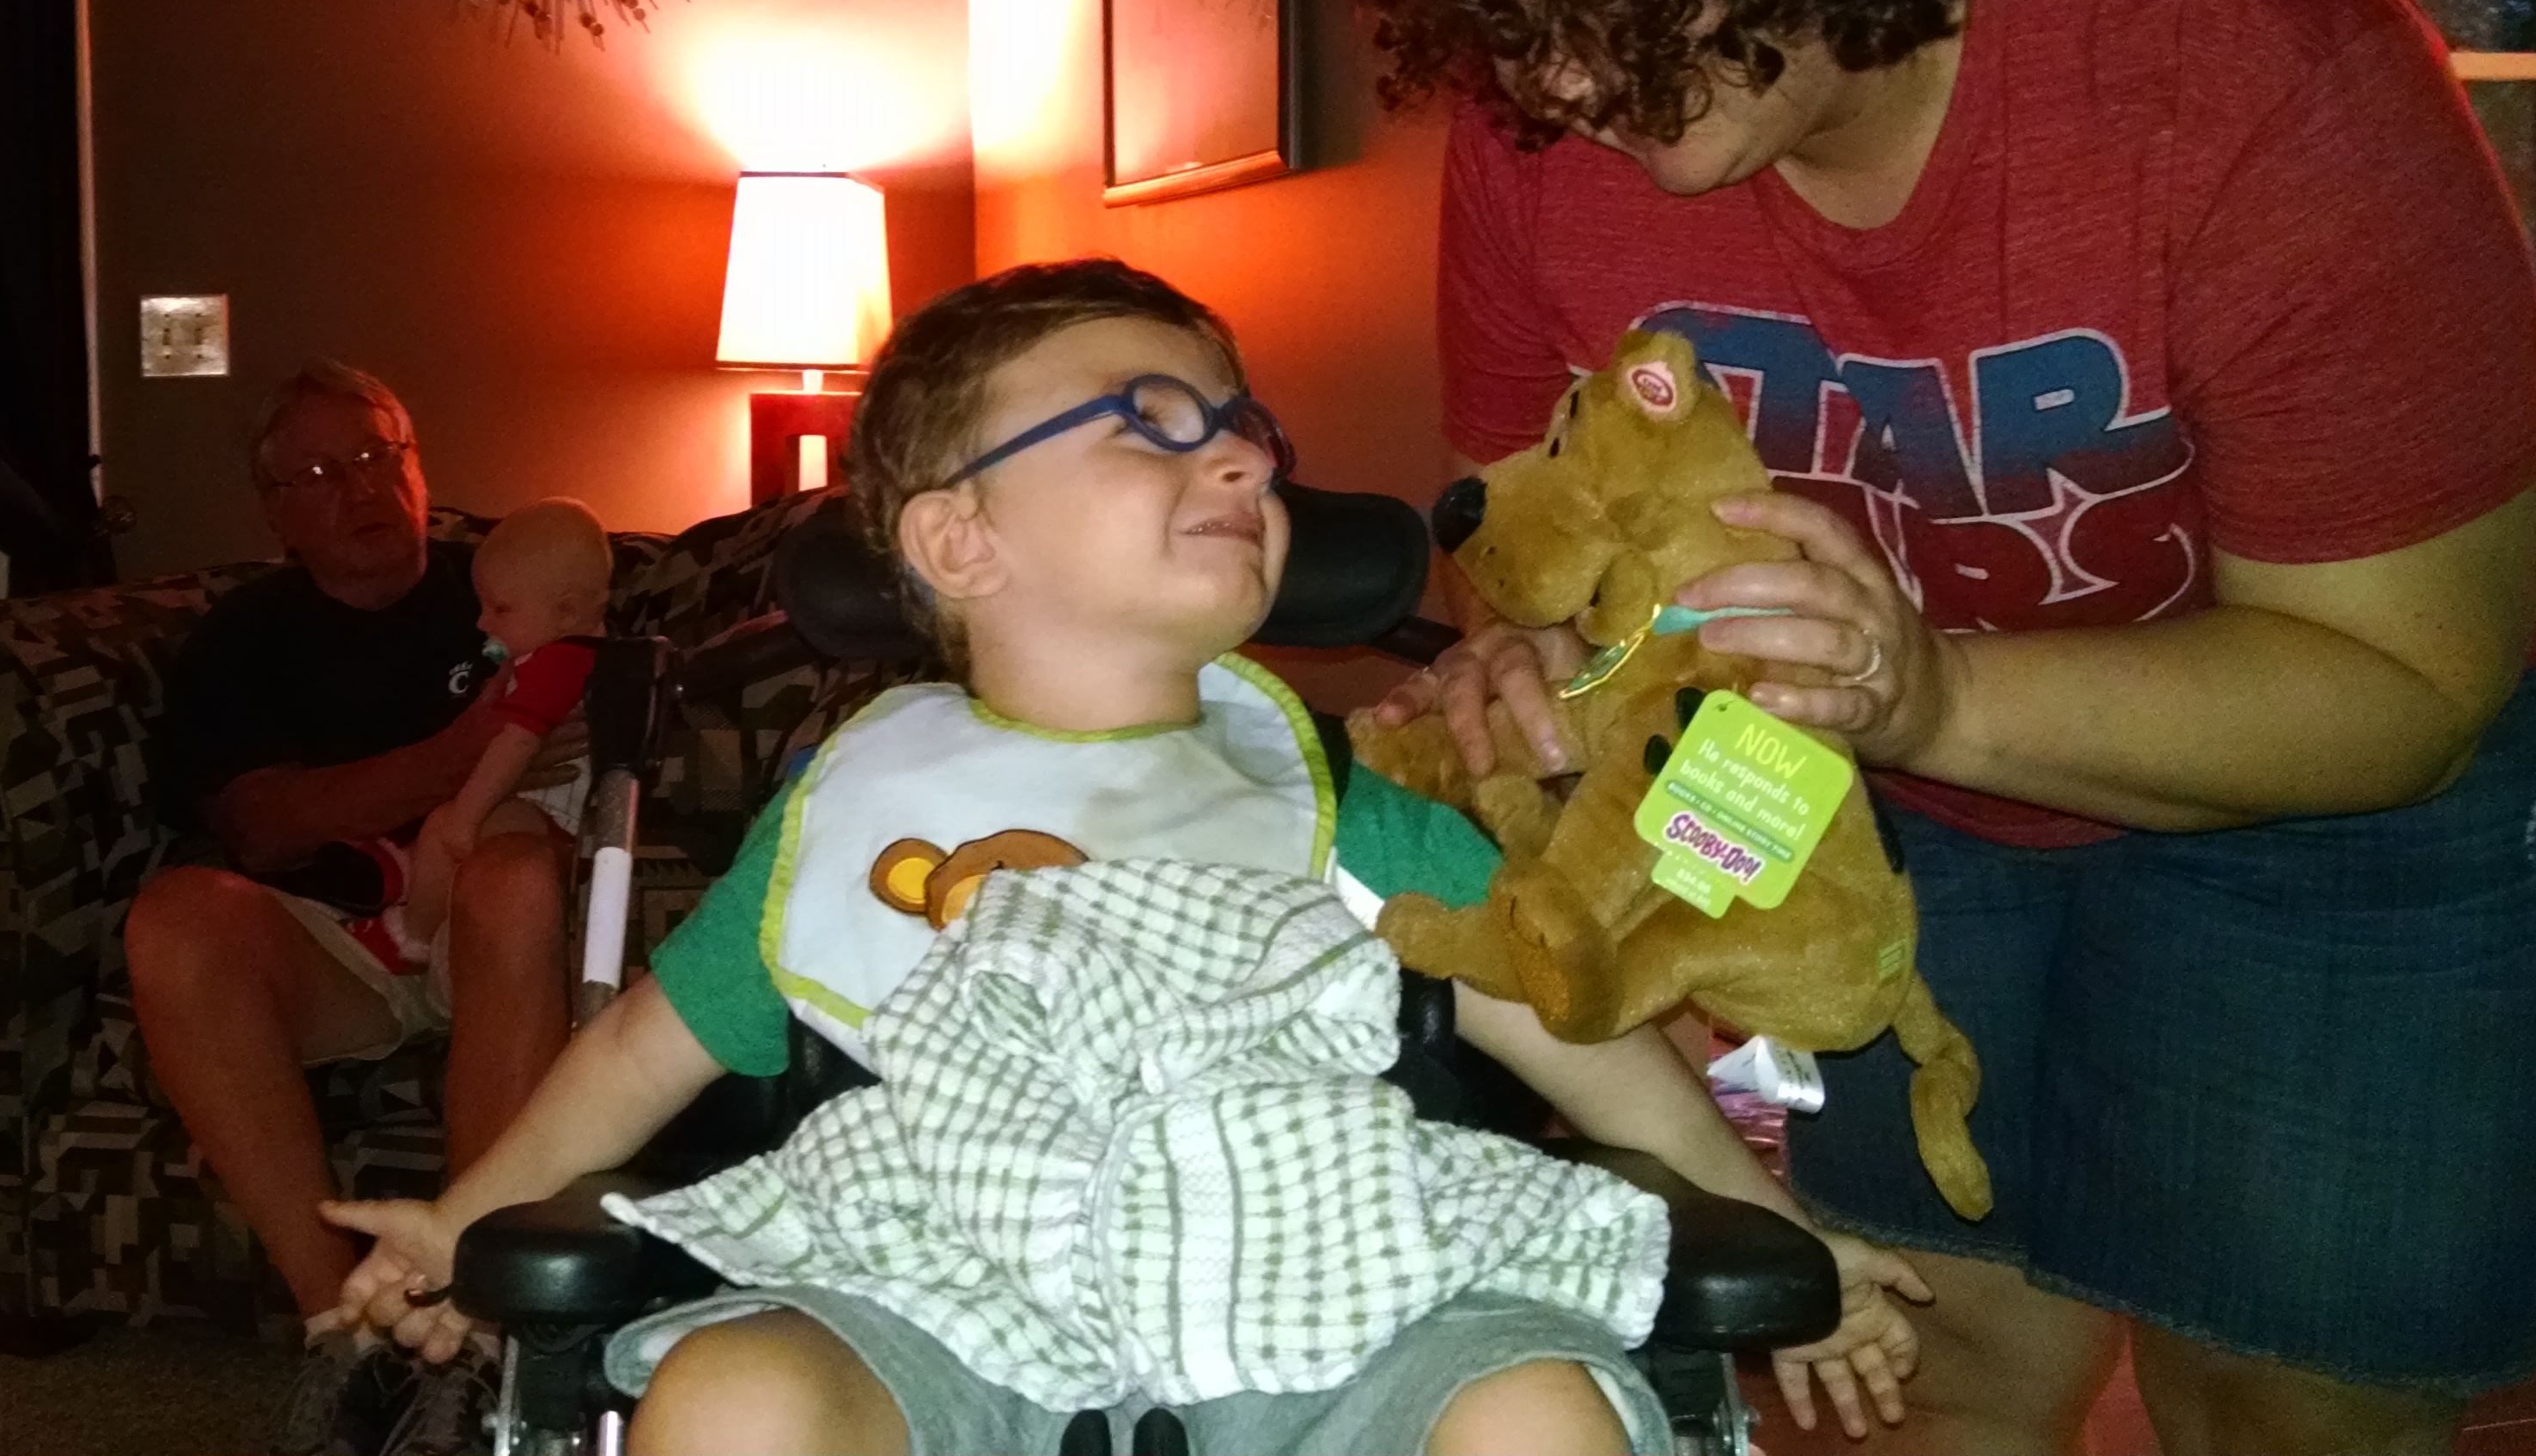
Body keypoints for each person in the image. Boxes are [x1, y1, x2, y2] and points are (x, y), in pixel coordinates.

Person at [1345, 0, 2536, 1456]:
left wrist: (1936, 690)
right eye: (1510, 8)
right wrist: (1539, 672)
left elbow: (2397, 681)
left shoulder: (2238, 47)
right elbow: (1547, 537)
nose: (1555, 74)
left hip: (2340, 748)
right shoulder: (1544, 134)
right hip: (1867, 752)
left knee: (2278, 1381)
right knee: (1921, 1348)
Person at [319, 260, 1928, 1456]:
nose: (1242, 459)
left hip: (1323, 1282)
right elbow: (637, 1049)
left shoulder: (1334, 798)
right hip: (945, 1289)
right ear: (959, 539)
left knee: (1540, 1414)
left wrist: (1778, 1230)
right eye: (1152, 425)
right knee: (730, 1398)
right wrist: (468, 1218)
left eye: (1244, 429)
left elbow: (1580, 1035)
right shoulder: (861, 812)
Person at [122, 361, 575, 1455]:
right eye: (321, 473)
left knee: (517, 873)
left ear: (416, 466)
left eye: (377, 455)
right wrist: (463, 754)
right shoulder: (246, 635)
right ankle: (344, 1329)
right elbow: (264, 825)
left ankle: (470, 1324)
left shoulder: (510, 592)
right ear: (278, 510)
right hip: (337, 946)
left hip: (494, 926)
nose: (361, 486)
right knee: (174, 920)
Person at [397, 496, 613, 966]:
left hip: (557, 818)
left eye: (500, 609)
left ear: (565, 612)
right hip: (560, 815)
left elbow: (516, 743)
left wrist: (467, 816)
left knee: (442, 829)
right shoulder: (581, 652)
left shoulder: (558, 663)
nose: (482, 622)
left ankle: (414, 940)